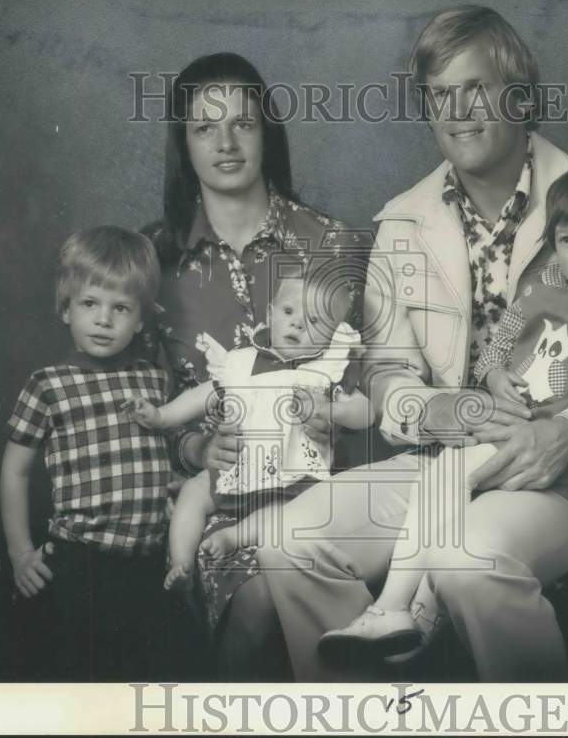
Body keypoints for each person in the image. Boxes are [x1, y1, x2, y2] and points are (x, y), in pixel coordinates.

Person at [256, 5, 568, 681]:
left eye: (477, 90)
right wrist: (433, 410)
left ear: (520, 95)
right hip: (443, 465)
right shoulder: (403, 220)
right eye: (439, 96)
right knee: (287, 540)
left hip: (564, 480)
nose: (457, 112)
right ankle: (363, 712)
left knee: (464, 554)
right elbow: (389, 369)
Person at [317, 164, 568, 662]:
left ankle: (395, 608)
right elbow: (502, 343)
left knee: (458, 509)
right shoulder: (541, 289)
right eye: (567, 238)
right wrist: (492, 377)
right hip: (509, 434)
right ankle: (410, 614)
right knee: (447, 483)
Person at [140, 52, 367, 679]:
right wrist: (196, 450)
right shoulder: (155, 263)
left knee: (289, 576)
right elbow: (139, 406)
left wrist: (339, 420)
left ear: (269, 132)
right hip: (217, 505)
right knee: (259, 591)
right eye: (204, 127)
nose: (226, 142)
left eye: (243, 123)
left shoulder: (333, 243)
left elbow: (383, 385)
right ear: (182, 144)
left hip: (324, 493)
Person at [0, 226, 178, 681]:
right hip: (82, 563)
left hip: (147, 562)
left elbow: (166, 454)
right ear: (66, 309)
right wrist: (20, 552)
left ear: (140, 320)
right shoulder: (48, 384)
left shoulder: (155, 382)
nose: (104, 320)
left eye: (121, 308)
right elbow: (15, 472)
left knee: (144, 680)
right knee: (78, 678)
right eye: (89, 304)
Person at [123, 272, 371, 590]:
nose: (297, 324)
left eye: (314, 320)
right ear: (270, 314)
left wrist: (330, 410)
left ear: (333, 334)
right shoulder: (240, 363)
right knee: (194, 493)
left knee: (288, 520)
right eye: (288, 312)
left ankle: (234, 537)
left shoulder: (323, 373)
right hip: (235, 469)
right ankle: (181, 562)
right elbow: (201, 397)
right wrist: (160, 416)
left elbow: (365, 412)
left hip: (292, 481)